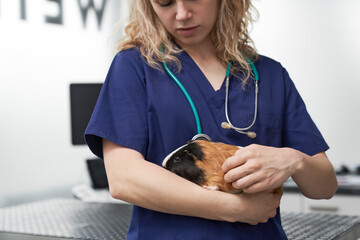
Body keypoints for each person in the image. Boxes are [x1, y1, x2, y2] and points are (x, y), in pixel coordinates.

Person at [85, 0, 338, 239]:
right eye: (165, 2)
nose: (182, 14)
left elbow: (324, 186)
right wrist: (235, 209)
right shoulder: (136, 66)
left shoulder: (270, 76)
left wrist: (293, 161)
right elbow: (124, 179)